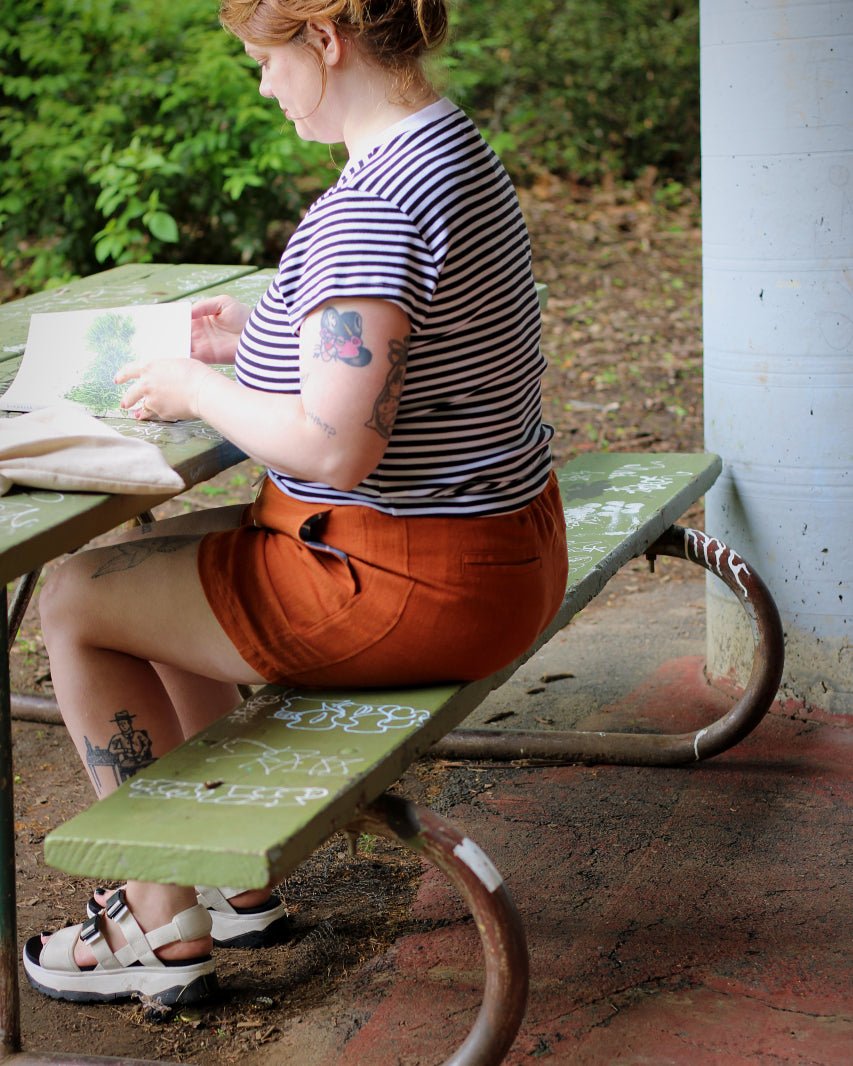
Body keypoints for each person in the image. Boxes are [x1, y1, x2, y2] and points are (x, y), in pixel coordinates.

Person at [23, 0, 568, 1006]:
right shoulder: (447, 148)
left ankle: (158, 919)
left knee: (71, 598)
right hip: (494, 549)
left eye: (263, 61)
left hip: (404, 581)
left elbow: (335, 445)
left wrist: (199, 391)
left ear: (325, 40)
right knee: (159, 572)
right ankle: (231, 884)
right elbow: (384, 338)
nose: (266, 87)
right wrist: (259, 331)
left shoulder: (373, 207)